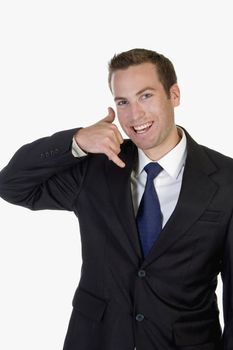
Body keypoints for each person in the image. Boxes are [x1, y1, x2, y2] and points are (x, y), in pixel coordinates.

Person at [0, 48, 232, 350]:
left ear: (174, 95)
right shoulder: (95, 168)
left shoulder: (226, 180)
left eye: (145, 96)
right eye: (123, 102)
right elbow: (12, 184)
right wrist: (76, 141)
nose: (134, 115)